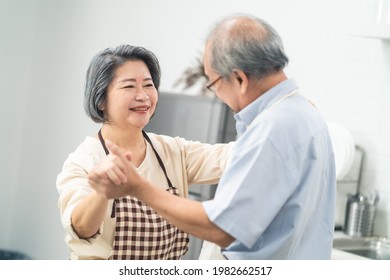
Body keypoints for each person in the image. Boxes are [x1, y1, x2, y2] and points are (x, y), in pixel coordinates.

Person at [91, 13, 337, 260]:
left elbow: (222, 227)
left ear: (240, 78)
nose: (143, 96)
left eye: (214, 83)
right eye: (129, 86)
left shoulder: (273, 129)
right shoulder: (304, 113)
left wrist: (138, 187)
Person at [56, 44, 234, 260]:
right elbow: (80, 228)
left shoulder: (173, 151)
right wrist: (102, 193)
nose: (143, 96)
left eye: (148, 85)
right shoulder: (83, 160)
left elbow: (234, 157)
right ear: (101, 99)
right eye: (129, 87)